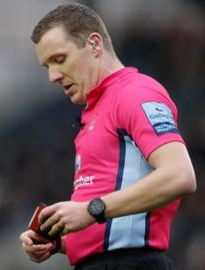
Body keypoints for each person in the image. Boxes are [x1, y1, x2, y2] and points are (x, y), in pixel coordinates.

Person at [19, 3, 196, 269]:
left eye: (59, 59)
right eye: (47, 66)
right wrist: (59, 243)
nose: (53, 77)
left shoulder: (135, 93)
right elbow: (111, 230)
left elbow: (180, 175)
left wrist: (92, 209)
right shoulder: (95, 110)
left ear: (94, 44)